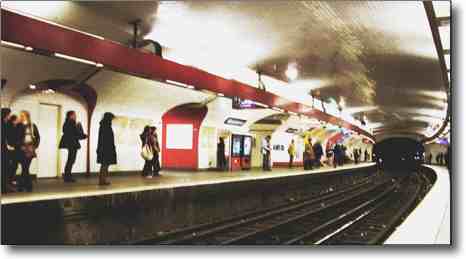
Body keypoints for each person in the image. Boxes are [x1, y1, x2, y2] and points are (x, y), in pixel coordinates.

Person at [59, 111, 87, 183]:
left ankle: (67, 176)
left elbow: (73, 133)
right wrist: (84, 135)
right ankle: (67, 177)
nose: (75, 116)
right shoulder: (71, 123)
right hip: (72, 143)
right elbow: (75, 133)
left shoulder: (67, 123)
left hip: (71, 143)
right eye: (74, 115)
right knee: (71, 160)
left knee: (70, 160)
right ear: (70, 116)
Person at [16, 110, 40, 192]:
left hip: (30, 148)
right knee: (24, 168)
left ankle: (24, 186)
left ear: (27, 116)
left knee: (25, 167)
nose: (21, 117)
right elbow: (15, 137)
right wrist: (19, 146)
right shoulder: (18, 125)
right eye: (20, 115)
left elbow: (37, 137)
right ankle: (26, 186)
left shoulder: (33, 126)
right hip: (21, 148)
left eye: (23, 115)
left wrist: (35, 146)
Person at [96, 112, 116, 186]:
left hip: (105, 148)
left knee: (105, 164)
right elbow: (106, 139)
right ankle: (102, 181)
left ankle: (103, 180)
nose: (112, 120)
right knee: (105, 164)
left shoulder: (104, 125)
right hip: (106, 148)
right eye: (111, 119)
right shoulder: (105, 126)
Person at [2, 108, 12, 193]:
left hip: (4, 148)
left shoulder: (6, 123)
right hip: (2, 148)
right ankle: (4, 187)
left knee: (6, 167)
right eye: (9, 114)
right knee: (5, 167)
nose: (9, 116)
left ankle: (5, 186)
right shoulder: (2, 124)